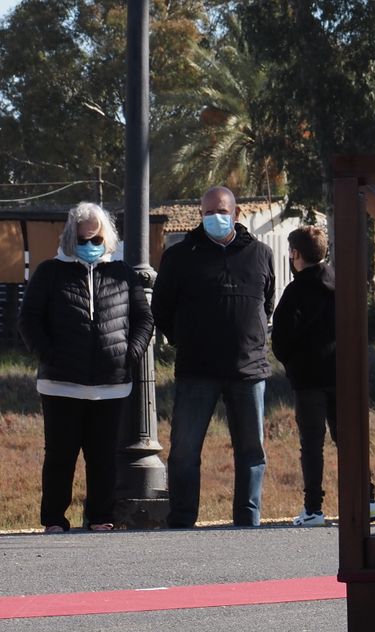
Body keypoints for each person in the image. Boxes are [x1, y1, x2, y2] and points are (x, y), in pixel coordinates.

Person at [18, 203, 154, 534]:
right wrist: (49, 354)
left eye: (95, 239)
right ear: (70, 236)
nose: (89, 245)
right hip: (60, 384)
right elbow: (29, 320)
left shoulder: (122, 273)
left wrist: (130, 354)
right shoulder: (50, 272)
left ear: (106, 237)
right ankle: (54, 519)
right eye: (83, 239)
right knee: (60, 457)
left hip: (111, 384)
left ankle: (100, 517)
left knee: (103, 456)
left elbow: (143, 319)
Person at [154, 186, 276, 529]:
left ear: (235, 213)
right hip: (197, 369)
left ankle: (248, 522)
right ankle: (181, 521)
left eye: (221, 211)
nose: (215, 218)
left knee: (252, 453)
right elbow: (161, 308)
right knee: (184, 451)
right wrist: (185, 339)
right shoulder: (180, 256)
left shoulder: (260, 253)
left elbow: (267, 303)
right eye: (207, 213)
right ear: (200, 216)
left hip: (248, 369)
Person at [272, 226, 375, 526]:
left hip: (308, 379)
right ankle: (367, 500)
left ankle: (314, 508)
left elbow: (280, 340)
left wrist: (292, 360)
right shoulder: (342, 284)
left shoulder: (295, 292)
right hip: (344, 375)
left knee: (312, 444)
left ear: (296, 254)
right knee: (350, 440)